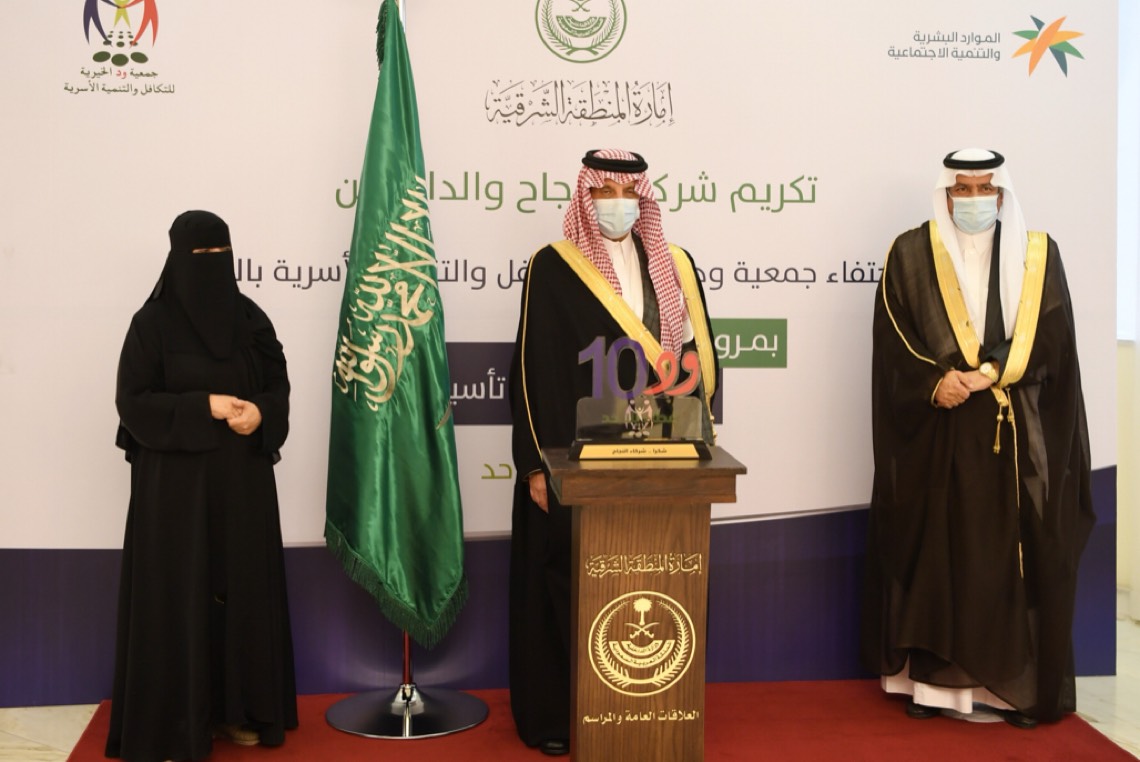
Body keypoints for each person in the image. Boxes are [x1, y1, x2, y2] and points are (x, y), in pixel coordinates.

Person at [862, 149, 1095, 729]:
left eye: (984, 188)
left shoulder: (1039, 254)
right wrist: (933, 383)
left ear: (1001, 193)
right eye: (962, 189)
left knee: (1006, 560)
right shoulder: (910, 251)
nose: (973, 200)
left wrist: (991, 371)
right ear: (945, 194)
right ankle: (932, 689)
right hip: (936, 435)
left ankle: (1009, 692)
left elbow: (1051, 334)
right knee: (936, 556)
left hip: (1008, 436)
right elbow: (893, 336)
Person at [507, 148, 718, 755]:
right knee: (567, 582)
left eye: (629, 193)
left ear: (644, 198)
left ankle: (650, 709)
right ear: (586, 196)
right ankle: (560, 718)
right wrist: (536, 465)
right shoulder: (553, 266)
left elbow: (696, 359)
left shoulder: (675, 265)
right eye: (604, 193)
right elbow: (533, 369)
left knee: (654, 577)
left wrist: (698, 439)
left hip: (660, 457)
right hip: (576, 463)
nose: (617, 205)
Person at [107, 210, 298, 760]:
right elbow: (132, 402)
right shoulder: (151, 324)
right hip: (175, 495)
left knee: (241, 590)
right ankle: (177, 719)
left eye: (221, 255)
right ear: (177, 260)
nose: (213, 266)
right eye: (201, 257)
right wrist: (203, 406)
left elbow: (277, 383)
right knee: (180, 594)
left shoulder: (251, 319)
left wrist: (262, 413)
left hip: (242, 487)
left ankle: (238, 712)